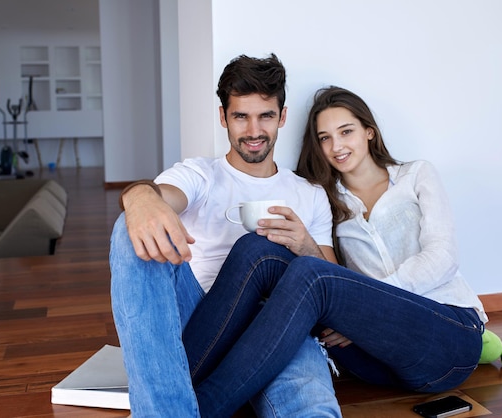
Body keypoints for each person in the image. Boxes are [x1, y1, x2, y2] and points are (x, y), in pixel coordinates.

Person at [182, 86, 488, 417]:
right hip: (374, 357)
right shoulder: (325, 199)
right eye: (325, 138)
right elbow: (333, 279)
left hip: (449, 335)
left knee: (311, 275)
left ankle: (201, 407)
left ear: (369, 131)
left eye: (346, 132)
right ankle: (177, 383)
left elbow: (443, 257)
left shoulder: (416, 175)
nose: (337, 146)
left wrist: (368, 305)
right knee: (258, 248)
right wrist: (310, 252)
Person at [110, 54, 342, 417]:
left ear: (282, 117)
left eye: (265, 116)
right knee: (129, 229)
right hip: (199, 318)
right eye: (240, 116)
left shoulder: (310, 194)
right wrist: (139, 196)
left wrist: (306, 246)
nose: (253, 130)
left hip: (279, 321)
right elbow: (162, 197)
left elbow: (334, 288)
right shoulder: (201, 174)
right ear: (223, 118)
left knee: (311, 409)